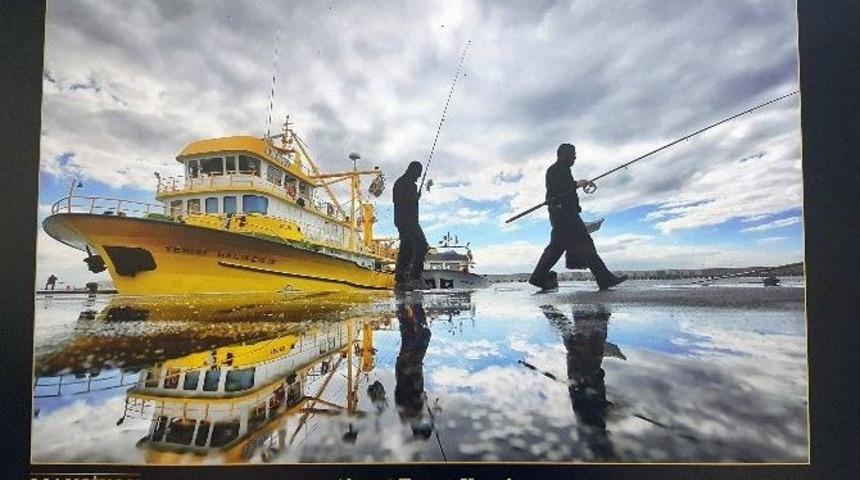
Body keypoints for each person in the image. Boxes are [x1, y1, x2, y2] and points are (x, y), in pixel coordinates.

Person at [529, 143, 627, 291]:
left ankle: (538, 276)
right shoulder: (556, 170)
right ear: (564, 154)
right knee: (585, 244)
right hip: (565, 215)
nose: (575, 157)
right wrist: (579, 183)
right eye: (573, 154)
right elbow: (561, 188)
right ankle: (604, 278)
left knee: (556, 248)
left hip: (562, 215)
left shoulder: (560, 170)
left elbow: (563, 187)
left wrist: (581, 183)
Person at [393, 161, 429, 290]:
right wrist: (415, 197)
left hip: (402, 220)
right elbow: (399, 200)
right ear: (413, 170)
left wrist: (415, 197)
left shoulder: (401, 182)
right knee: (422, 245)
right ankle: (415, 277)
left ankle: (400, 279)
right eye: (418, 173)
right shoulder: (404, 183)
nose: (419, 176)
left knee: (406, 248)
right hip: (408, 221)